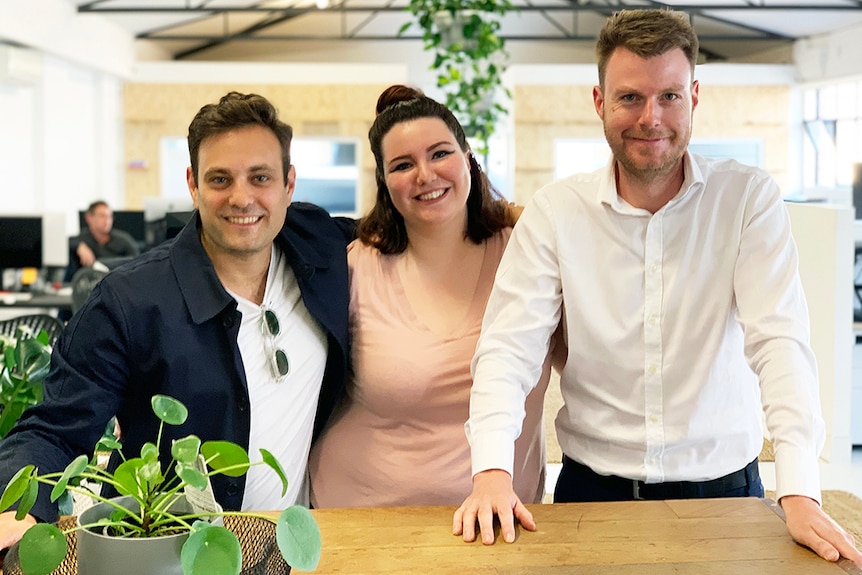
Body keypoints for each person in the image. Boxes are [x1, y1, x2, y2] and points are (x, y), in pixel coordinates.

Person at [453, 8, 862, 567]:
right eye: (630, 98)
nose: (652, 117)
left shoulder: (746, 200)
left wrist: (800, 490)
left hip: (726, 495)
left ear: (694, 95)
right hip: (592, 496)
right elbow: (508, 349)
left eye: (669, 96)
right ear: (599, 101)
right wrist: (492, 473)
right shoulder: (556, 212)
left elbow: (780, 343)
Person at [0, 91, 352, 550]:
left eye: (260, 177)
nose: (242, 198)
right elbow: (54, 430)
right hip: (163, 551)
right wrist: (15, 511)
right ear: (193, 184)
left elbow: (408, 225)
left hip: (285, 549)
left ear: (289, 185)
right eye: (220, 178)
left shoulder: (321, 246)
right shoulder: (128, 302)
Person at [307, 85, 554, 508]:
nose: (425, 175)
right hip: (363, 522)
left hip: (501, 518)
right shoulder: (352, 269)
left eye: (440, 153)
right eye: (403, 165)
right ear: (384, 183)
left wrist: (523, 215)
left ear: (468, 158)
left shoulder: (527, 255)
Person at [75, 200, 141, 268]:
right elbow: (68, 242)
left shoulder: (124, 240)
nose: (107, 220)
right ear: (89, 218)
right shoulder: (82, 239)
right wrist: (79, 246)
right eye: (102, 216)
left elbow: (136, 261)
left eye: (109, 216)